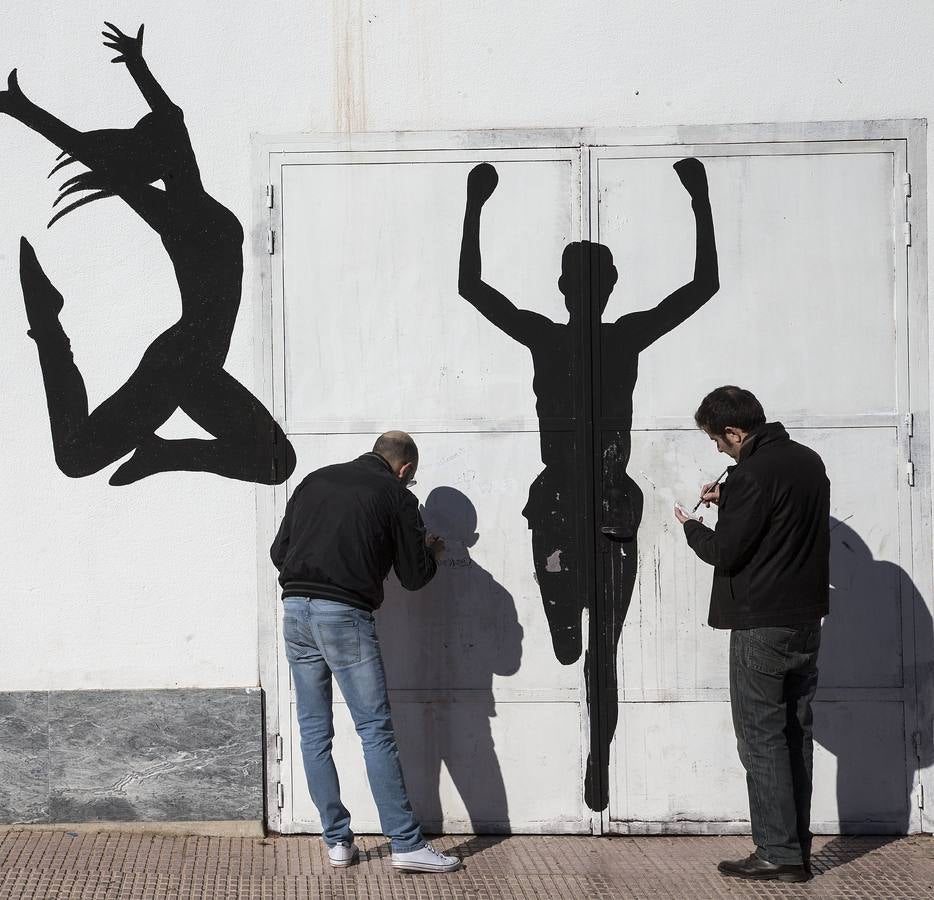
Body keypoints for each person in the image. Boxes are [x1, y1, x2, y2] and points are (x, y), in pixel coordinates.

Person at [458, 157, 718, 810]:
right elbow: (473, 290)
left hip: (607, 506)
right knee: (572, 642)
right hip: (557, 504)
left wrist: (701, 198)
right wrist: (474, 203)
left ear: (593, 286)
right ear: (573, 287)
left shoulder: (621, 337)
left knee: (603, 646)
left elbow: (702, 288)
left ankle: (597, 761)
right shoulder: (551, 338)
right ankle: (564, 634)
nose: (589, 288)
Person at [0, 22, 295, 486]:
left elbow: (158, 127)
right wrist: (134, 67)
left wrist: (28, 107)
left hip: (194, 366)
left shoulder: (175, 208)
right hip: (183, 362)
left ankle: (160, 452)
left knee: (76, 457)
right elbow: (165, 125)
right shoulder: (185, 210)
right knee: (273, 462)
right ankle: (49, 327)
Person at [270, 431, 460, 873]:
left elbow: (280, 552)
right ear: (405, 469)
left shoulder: (313, 481)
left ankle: (337, 842)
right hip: (344, 616)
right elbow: (413, 576)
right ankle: (406, 844)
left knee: (315, 733)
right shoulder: (395, 495)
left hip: (296, 609)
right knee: (375, 730)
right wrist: (431, 551)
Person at [674, 386, 829, 883]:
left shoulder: (750, 474)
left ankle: (777, 852)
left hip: (761, 624)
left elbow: (726, 553)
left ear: (735, 432)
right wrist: (733, 500)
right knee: (794, 735)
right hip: (805, 621)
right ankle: (794, 848)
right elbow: (780, 524)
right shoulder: (808, 461)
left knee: (761, 740)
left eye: (718, 441)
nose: (718, 450)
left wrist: (693, 527)